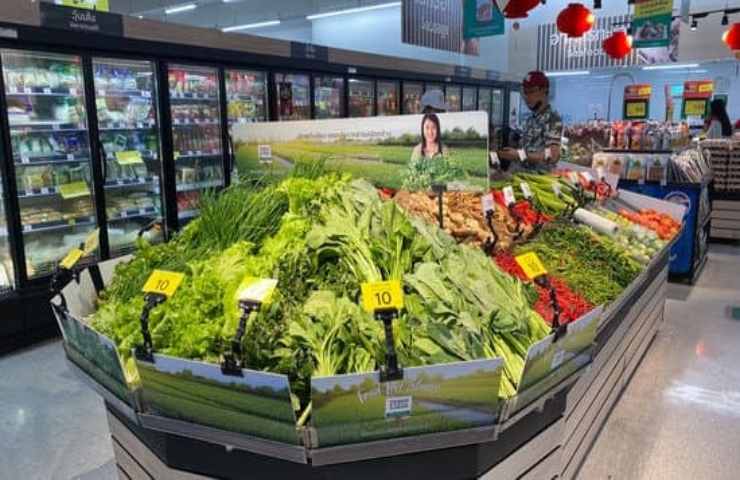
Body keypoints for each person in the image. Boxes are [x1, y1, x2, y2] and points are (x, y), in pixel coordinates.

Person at [497, 71, 563, 171]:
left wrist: (518, 155)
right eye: (525, 93)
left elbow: (552, 155)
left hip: (539, 177)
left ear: (544, 91)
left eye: (532, 91)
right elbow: (526, 151)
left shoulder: (552, 119)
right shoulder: (530, 120)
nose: (527, 97)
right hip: (522, 176)